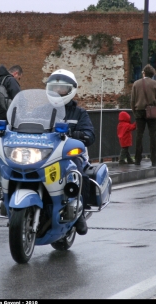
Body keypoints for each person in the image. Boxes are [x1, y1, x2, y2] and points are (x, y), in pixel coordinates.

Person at [46, 69, 95, 236]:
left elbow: (90, 134)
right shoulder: (42, 110)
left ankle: (79, 213)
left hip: (71, 155)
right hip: (46, 154)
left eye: (62, 89)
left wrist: (81, 135)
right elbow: (25, 122)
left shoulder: (79, 113)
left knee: (78, 174)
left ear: (71, 90)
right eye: (54, 88)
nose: (57, 92)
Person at [130, 64, 156, 167]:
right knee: (153, 136)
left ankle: (138, 159)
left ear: (144, 73)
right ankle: (154, 160)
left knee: (139, 136)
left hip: (139, 111)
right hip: (152, 111)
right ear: (152, 74)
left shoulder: (136, 83)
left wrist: (135, 112)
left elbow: (132, 100)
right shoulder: (155, 84)